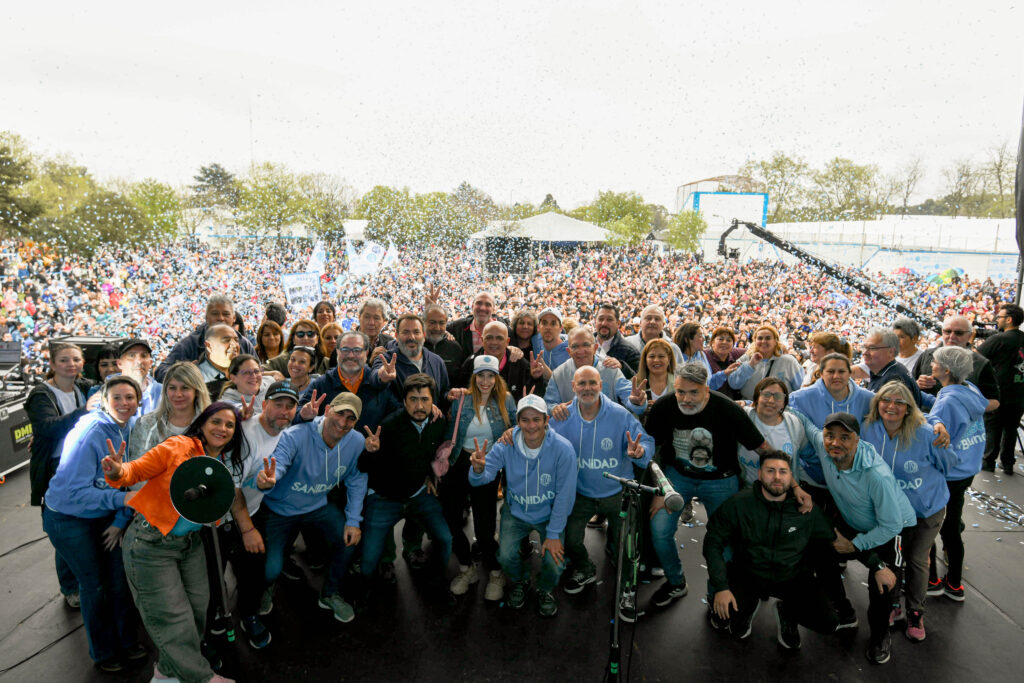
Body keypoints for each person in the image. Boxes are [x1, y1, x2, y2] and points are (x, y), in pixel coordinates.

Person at [102, 402, 245, 683]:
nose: (223, 428)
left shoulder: (224, 463)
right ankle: (202, 677)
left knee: (197, 613)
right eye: (216, 421)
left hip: (190, 544)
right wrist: (117, 471)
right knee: (172, 619)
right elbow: (134, 472)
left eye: (230, 425)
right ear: (202, 424)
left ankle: (167, 671)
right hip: (150, 544)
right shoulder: (178, 446)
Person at [644, 362, 780, 610]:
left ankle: (719, 592)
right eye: (680, 392)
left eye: (693, 392)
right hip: (677, 477)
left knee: (724, 540)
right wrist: (659, 489)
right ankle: (675, 582)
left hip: (722, 481)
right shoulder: (665, 406)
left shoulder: (727, 409)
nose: (685, 399)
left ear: (706, 390)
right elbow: (652, 450)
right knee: (659, 529)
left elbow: (761, 447)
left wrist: (785, 477)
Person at [792, 411, 917, 665]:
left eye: (844, 437)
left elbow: (891, 524)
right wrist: (770, 403)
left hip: (892, 531)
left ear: (857, 440)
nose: (835, 443)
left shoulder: (876, 475)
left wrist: (856, 545)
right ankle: (844, 610)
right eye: (830, 436)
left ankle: (881, 636)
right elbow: (806, 422)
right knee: (819, 551)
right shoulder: (825, 448)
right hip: (854, 522)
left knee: (883, 586)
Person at [41, 376, 143, 673]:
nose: (124, 404)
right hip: (68, 518)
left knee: (118, 581)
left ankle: (127, 641)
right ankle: (104, 652)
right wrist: (120, 503)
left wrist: (120, 520)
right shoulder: (90, 431)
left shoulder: (132, 427)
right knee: (94, 585)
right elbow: (76, 492)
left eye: (130, 398)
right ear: (104, 401)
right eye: (117, 398)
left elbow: (133, 483)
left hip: (104, 516)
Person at [703, 451, 838, 649]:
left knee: (829, 622)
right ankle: (746, 607)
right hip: (749, 574)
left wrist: (875, 564)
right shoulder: (739, 504)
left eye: (783, 472)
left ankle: (787, 612)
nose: (776, 477)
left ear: (790, 477)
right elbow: (712, 542)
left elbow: (834, 538)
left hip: (792, 577)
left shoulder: (805, 508)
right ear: (759, 474)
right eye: (770, 471)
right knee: (724, 618)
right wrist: (721, 587)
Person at [550, 366, 653, 619]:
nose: (587, 388)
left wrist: (640, 453)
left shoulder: (620, 414)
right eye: (582, 383)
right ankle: (585, 568)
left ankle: (628, 588)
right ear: (573, 387)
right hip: (580, 494)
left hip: (618, 493)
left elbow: (646, 443)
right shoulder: (561, 417)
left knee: (626, 547)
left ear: (601, 386)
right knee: (571, 540)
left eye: (592, 383)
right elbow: (541, 440)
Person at [861, 381, 956, 641]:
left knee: (916, 559)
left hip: (926, 508)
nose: (891, 406)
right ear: (877, 402)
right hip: (891, 513)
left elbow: (948, 464)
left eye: (899, 402)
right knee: (895, 559)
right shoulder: (868, 429)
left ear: (908, 407)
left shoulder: (926, 433)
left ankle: (916, 611)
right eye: (886, 400)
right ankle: (893, 604)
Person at [262, 392, 368, 624]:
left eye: (351, 419)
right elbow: (279, 461)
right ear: (328, 409)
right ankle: (265, 588)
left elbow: (357, 479)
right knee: (270, 570)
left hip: (316, 506)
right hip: (280, 510)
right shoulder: (296, 435)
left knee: (349, 540)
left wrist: (353, 520)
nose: (343, 423)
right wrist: (270, 479)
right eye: (340, 413)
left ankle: (330, 593)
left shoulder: (357, 441)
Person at [469, 394, 577, 617]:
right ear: (517, 421)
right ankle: (521, 581)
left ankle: (545, 589)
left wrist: (554, 534)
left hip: (548, 515)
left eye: (536, 419)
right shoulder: (505, 444)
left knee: (555, 562)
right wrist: (479, 469)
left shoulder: (563, 449)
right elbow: (481, 477)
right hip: (516, 513)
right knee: (506, 556)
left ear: (546, 419)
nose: (531, 425)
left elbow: (564, 496)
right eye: (525, 420)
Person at [357, 374, 453, 590]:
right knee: (369, 560)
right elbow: (363, 467)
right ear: (404, 401)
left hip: (418, 493)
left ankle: (438, 583)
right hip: (385, 498)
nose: (419, 406)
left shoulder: (438, 424)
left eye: (425, 399)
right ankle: (376, 577)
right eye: (413, 399)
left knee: (445, 539)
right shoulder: (388, 426)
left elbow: (432, 453)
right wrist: (370, 452)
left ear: (433, 401)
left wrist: (429, 475)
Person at [26, 342, 96, 607]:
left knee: (82, 526)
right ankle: (70, 587)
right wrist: (84, 412)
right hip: (55, 469)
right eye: (65, 360)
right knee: (65, 530)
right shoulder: (41, 395)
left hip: (83, 464)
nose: (72, 365)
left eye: (76, 360)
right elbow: (47, 427)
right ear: (53, 364)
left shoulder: (85, 386)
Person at [441, 355, 517, 600]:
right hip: (458, 461)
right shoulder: (461, 398)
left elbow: (518, 427)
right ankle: (466, 567)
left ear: (497, 378)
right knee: (450, 519)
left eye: (490, 376)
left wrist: (510, 433)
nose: (485, 381)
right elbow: (446, 426)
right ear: (474, 377)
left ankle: (495, 572)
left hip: (488, 463)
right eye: (481, 375)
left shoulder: (505, 400)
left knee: (485, 527)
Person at [231, 382, 300, 646]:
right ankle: (221, 617)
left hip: (256, 508)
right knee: (219, 575)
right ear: (264, 404)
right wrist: (247, 529)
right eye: (278, 404)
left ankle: (248, 614)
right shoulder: (247, 433)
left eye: (290, 406)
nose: (284, 411)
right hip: (225, 515)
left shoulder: (288, 434)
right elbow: (232, 487)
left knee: (253, 570)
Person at [925, 346, 990, 603]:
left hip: (949, 473)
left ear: (947, 369)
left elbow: (940, 438)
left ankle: (932, 581)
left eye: (935, 362)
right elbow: (949, 408)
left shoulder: (949, 400)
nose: (931, 365)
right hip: (967, 469)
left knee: (929, 526)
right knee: (952, 526)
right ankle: (954, 582)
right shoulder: (970, 390)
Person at [296, 331, 401, 431]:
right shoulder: (322, 384)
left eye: (357, 350)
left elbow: (398, 415)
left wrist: (381, 439)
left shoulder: (378, 382)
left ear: (366, 352)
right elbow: (296, 415)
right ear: (337, 351)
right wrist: (303, 415)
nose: (351, 355)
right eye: (345, 350)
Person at [545, 327, 645, 418]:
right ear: (568, 351)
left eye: (586, 345)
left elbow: (629, 397)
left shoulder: (610, 368)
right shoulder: (558, 374)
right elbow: (549, 403)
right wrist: (554, 409)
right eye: (575, 346)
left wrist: (636, 401)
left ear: (595, 348)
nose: (581, 351)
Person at [154, 294, 255, 382]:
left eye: (226, 314)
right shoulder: (190, 343)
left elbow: (258, 373)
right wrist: (184, 374)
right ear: (207, 317)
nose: (220, 318)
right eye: (215, 314)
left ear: (233, 318)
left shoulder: (244, 344)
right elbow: (161, 371)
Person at [912, 315, 1000, 411]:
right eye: (948, 331)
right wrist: (917, 384)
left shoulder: (980, 363)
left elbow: (994, 401)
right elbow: (908, 386)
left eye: (959, 333)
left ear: (969, 336)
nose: (952, 336)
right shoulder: (927, 355)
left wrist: (968, 407)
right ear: (942, 332)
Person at [130, 362, 212, 461]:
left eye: (185, 388)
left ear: (197, 391)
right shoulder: (146, 424)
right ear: (165, 390)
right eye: (172, 388)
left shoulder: (210, 425)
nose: (178, 394)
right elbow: (137, 469)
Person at [370, 313, 452, 408]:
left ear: (424, 335)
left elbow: (443, 393)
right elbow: (374, 378)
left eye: (416, 332)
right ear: (396, 336)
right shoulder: (386, 359)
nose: (411, 337)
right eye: (405, 332)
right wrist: (382, 377)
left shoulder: (437, 361)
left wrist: (449, 396)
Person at [979, 303, 1024, 473]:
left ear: (1009, 319)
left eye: (999, 317)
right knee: (1011, 428)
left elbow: (977, 357)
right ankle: (1008, 463)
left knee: (993, 428)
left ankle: (988, 461)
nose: (997, 319)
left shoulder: (999, 339)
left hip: (999, 392)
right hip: (1019, 393)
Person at [736, 378, 808, 485]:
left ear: (784, 403)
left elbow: (804, 456)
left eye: (778, 397)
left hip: (782, 492)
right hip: (747, 489)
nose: (771, 401)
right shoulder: (743, 417)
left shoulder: (794, 424)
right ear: (756, 398)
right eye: (766, 395)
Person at [456, 319, 543, 399]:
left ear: (507, 342)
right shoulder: (470, 364)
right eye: (489, 338)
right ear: (482, 340)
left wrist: (535, 378)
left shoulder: (520, 363)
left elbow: (534, 396)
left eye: (499, 338)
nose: (494, 342)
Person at [728, 324, 805, 399]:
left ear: (775, 341)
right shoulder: (746, 358)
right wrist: (750, 365)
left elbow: (801, 390)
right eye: (760, 338)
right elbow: (733, 383)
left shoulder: (788, 361)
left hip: (779, 409)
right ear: (755, 341)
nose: (763, 341)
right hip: (749, 408)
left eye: (768, 338)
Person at [861, 327, 923, 407]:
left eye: (872, 348)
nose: (865, 353)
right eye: (864, 347)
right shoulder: (882, 371)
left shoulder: (894, 379)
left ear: (890, 351)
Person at [674, 321, 739, 390]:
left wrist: (724, 373)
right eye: (700, 336)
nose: (704, 339)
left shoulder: (701, 355)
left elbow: (709, 383)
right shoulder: (676, 357)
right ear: (687, 340)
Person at [446, 291, 506, 357]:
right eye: (479, 303)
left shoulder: (505, 331)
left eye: (488, 305)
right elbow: (438, 330)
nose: (482, 308)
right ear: (472, 306)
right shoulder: (457, 328)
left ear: (494, 309)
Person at [594, 302, 640, 378]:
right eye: (600, 319)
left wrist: (622, 367)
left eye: (609, 320)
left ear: (618, 324)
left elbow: (639, 382)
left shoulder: (630, 351)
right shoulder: (584, 344)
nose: (604, 323)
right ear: (595, 321)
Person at [424, 303, 468, 382]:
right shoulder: (415, 346)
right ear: (423, 322)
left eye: (441, 323)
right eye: (432, 322)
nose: (437, 328)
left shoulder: (455, 348)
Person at [117, 338, 161, 415]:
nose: (139, 361)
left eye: (144, 356)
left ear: (150, 363)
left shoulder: (165, 393)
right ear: (120, 363)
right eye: (131, 356)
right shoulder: (104, 394)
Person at [636, 338, 677, 415]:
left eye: (661, 356)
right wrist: (640, 408)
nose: (656, 360)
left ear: (669, 359)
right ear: (645, 359)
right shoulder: (634, 383)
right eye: (651, 356)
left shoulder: (680, 382)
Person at [704, 327, 744, 399]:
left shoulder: (736, 354)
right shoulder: (704, 356)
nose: (724, 342)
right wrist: (724, 373)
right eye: (721, 339)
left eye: (728, 340)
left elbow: (752, 350)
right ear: (712, 342)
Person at [198, 323, 242, 388]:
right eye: (226, 340)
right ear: (209, 346)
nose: (234, 345)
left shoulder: (244, 373)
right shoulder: (195, 378)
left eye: (236, 340)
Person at [357, 297, 396, 363]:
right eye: (367, 317)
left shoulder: (389, 343)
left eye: (376, 318)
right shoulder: (346, 342)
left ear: (384, 321)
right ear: (359, 318)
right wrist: (370, 362)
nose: (371, 322)